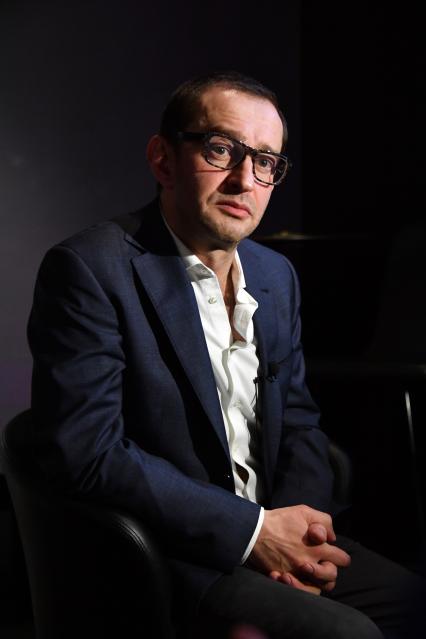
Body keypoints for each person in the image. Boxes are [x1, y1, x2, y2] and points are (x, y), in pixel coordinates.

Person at [26, 71, 424, 638]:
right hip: (173, 553)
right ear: (163, 159)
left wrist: (298, 538)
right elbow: (87, 452)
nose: (244, 180)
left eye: (265, 161)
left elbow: (301, 423)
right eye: (220, 149)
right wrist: (253, 533)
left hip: (274, 535)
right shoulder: (90, 268)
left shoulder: (275, 274)